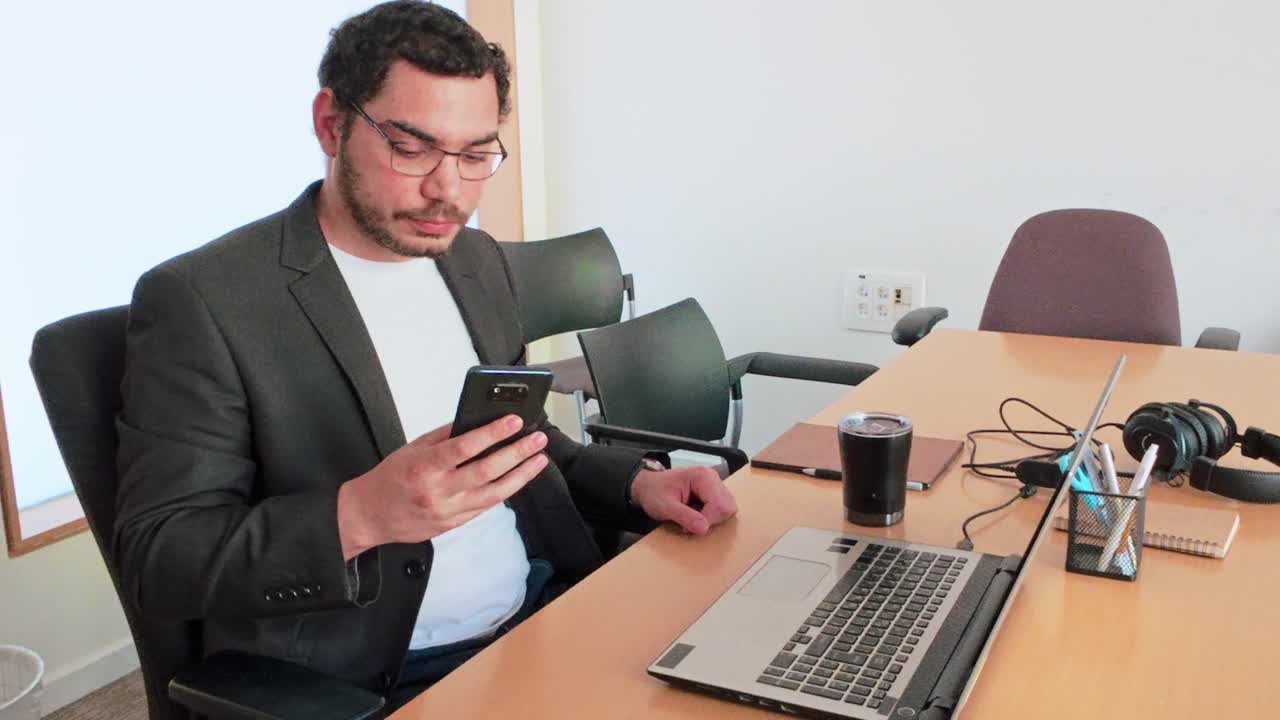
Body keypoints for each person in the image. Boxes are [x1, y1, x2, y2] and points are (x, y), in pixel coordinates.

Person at [113, 1, 737, 711]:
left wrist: (636, 486)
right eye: (411, 148)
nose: (449, 189)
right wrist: (360, 516)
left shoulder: (475, 260)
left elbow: (518, 444)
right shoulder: (204, 300)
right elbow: (160, 557)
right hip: (380, 674)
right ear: (331, 123)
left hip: (545, 607)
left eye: (476, 155)